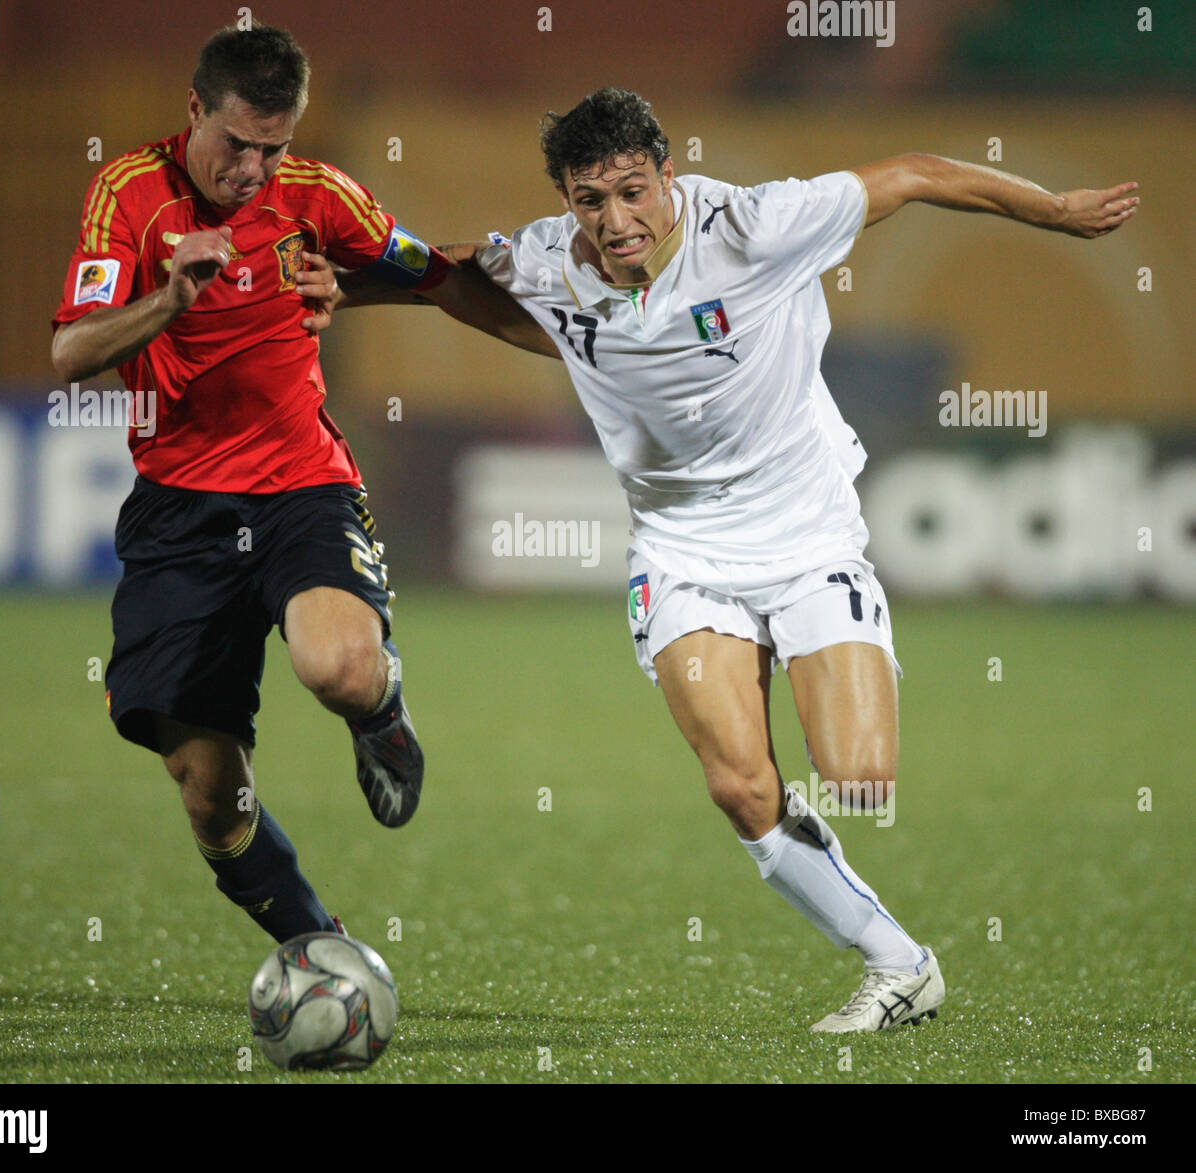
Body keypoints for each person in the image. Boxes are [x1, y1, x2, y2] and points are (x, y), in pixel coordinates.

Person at [421, 87, 1138, 1032]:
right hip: (682, 549)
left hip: (806, 534)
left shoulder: (759, 227)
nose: (615, 220)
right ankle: (899, 963)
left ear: (667, 175)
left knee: (858, 775)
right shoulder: (548, 255)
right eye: (590, 201)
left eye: (633, 192)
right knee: (738, 782)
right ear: (566, 198)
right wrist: (334, 287)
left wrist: (1050, 210)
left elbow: (918, 173)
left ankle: (841, 660)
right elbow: (447, 274)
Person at [50, 23, 538, 946]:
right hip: (179, 512)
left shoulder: (317, 194)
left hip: (298, 483)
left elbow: (434, 274)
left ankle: (382, 712)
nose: (252, 169)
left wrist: (561, 351)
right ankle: (319, 948)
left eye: (273, 147)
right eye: (236, 144)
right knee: (208, 792)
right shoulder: (127, 194)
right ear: (195, 109)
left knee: (339, 666)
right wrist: (168, 302)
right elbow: (71, 350)